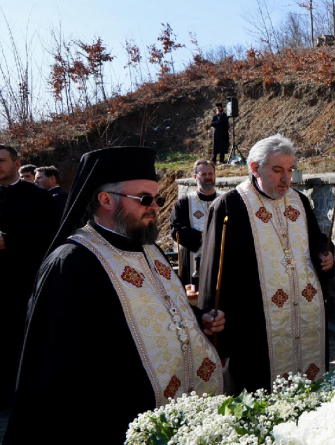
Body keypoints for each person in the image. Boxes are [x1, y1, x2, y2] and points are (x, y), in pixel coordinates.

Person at [2, 146, 226, 445]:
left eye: (157, 199)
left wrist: (199, 319)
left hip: (176, 410)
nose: (156, 207)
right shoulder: (72, 262)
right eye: (145, 199)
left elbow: (163, 308)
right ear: (105, 199)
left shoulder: (151, 250)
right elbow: (58, 364)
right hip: (114, 420)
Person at [199, 134, 334, 394]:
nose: (287, 178)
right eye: (277, 170)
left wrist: (325, 255)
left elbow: (316, 240)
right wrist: (216, 328)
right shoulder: (230, 206)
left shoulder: (300, 201)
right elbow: (213, 271)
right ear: (254, 168)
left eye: (290, 170)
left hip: (304, 316)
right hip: (255, 324)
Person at [0, 146, 55, 412]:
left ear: (16, 163)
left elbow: (47, 231)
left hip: (22, 280)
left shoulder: (38, 197)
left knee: (18, 337)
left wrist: (9, 239)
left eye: (1, 161)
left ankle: (20, 395)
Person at [170, 160, 217, 290]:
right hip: (192, 260)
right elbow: (176, 230)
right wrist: (203, 237)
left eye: (210, 174)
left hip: (219, 258)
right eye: (203, 174)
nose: (208, 177)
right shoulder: (184, 203)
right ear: (195, 177)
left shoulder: (225, 200)